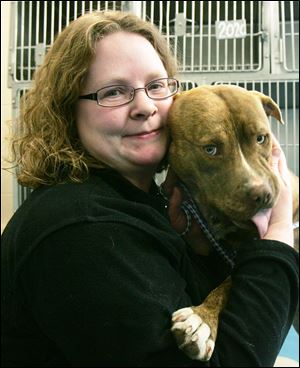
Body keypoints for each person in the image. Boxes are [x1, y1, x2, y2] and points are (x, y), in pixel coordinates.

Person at [1, 10, 298, 367]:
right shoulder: (81, 229)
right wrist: (279, 236)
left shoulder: (143, 201)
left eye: (156, 85)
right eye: (113, 92)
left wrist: (199, 251)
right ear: (67, 111)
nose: (144, 106)